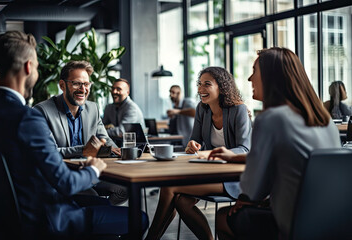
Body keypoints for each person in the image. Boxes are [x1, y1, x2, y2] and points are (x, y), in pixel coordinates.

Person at [0, 31, 148, 238]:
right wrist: (93, 169)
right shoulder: (29, 119)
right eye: (37, 67)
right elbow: (65, 182)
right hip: (46, 217)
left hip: (7, 215)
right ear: (29, 67)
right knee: (140, 217)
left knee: (101, 205)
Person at [212, 47, 340, 240]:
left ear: (271, 77)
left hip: (292, 225)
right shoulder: (326, 121)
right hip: (333, 222)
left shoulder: (271, 119)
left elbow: (253, 189)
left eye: (254, 71)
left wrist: (247, 199)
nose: (249, 79)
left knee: (223, 217)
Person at [145, 67, 252, 240]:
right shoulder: (203, 109)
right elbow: (194, 141)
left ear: (222, 87)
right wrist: (192, 146)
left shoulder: (238, 110)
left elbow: (245, 149)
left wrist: (208, 153)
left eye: (207, 84)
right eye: (199, 84)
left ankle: (151, 237)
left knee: (169, 186)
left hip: (234, 178)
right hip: (209, 172)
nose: (201, 89)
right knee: (182, 201)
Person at [34, 60, 127, 205]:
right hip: (63, 176)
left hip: (90, 170)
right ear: (62, 85)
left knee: (124, 190)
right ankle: (92, 216)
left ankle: (93, 217)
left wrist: (114, 149)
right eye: (77, 83)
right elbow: (49, 153)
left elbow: (104, 138)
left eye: (86, 84)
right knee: (93, 199)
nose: (83, 89)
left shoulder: (93, 109)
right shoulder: (42, 111)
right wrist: (83, 150)